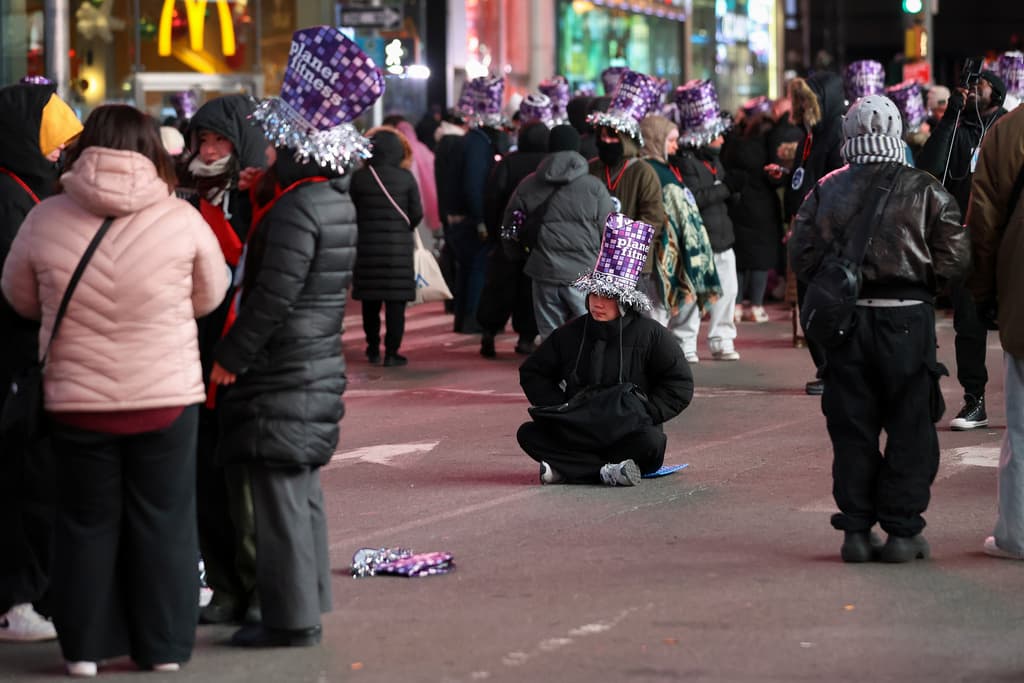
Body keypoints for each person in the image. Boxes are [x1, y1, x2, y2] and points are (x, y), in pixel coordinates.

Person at [1, 103, 229, 675]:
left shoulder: (45, 217)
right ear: (153, 150)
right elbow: (212, 296)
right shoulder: (181, 218)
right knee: (166, 521)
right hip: (166, 398)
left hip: (77, 400)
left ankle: (83, 650)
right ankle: (163, 649)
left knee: (83, 523)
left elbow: (18, 298)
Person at [209, 26, 380, 648]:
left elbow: (272, 297)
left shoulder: (296, 210)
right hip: (311, 364)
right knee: (300, 494)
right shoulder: (330, 201)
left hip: (283, 370)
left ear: (300, 150)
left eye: (278, 146)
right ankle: (307, 606)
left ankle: (289, 620)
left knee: (279, 498)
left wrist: (230, 358)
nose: (269, 155)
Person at [789, 95, 968, 563]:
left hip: (846, 323)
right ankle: (904, 532)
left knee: (852, 427)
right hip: (907, 320)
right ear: (896, 133)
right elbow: (955, 257)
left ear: (849, 135)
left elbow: (801, 255)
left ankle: (855, 530)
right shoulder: (925, 189)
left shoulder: (827, 189)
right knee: (911, 426)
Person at [178, 94, 269, 626]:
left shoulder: (262, 196)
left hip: (242, 358)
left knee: (245, 484)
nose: (209, 151)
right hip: (193, 352)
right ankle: (226, 585)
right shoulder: (183, 196)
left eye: (219, 141)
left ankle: (257, 588)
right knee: (206, 479)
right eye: (202, 141)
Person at [517, 213, 693, 486]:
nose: (598, 303)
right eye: (594, 295)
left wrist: (646, 411)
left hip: (628, 431)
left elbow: (679, 383)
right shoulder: (571, 333)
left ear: (625, 301)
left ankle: (568, 470)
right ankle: (604, 472)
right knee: (528, 434)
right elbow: (533, 372)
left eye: (608, 296)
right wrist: (560, 407)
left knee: (652, 442)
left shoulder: (652, 334)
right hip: (579, 429)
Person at [0, 80, 81, 643]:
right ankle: (14, 599)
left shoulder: (22, 188)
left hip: (25, 362)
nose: (60, 155)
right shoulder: (9, 195)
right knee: (20, 483)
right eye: (54, 144)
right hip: (14, 363)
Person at [919, 70, 1008, 431]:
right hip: (965, 242)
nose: (971, 89)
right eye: (968, 85)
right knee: (968, 325)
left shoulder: (1008, 127)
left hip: (1005, 242)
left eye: (979, 84)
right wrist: (950, 115)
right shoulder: (956, 126)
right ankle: (975, 401)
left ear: (997, 93)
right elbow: (928, 169)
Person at [964, 103, 1024, 559]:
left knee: (1022, 430)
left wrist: (981, 294)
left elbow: (983, 223)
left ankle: (1018, 534)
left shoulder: (1007, 133)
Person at [501, 124, 614, 340]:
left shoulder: (528, 185)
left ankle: (557, 372)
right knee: (589, 331)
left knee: (550, 333)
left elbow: (510, 227)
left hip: (544, 270)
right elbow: (609, 232)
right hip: (584, 272)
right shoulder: (595, 187)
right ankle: (586, 371)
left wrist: (519, 256)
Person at [777, 72, 847, 395]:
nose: (802, 106)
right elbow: (805, 179)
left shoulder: (836, 133)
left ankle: (835, 369)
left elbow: (836, 184)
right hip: (806, 232)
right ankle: (827, 367)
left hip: (825, 235)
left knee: (823, 305)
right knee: (809, 307)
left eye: (807, 100)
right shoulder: (812, 135)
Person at [639, 113, 721, 357]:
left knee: (677, 301)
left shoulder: (666, 168)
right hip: (662, 249)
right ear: (655, 140)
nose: (675, 146)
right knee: (657, 308)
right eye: (670, 141)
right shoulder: (648, 170)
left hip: (678, 245)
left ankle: (678, 351)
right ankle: (654, 357)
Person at [674, 80, 744, 361]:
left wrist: (734, 192)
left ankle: (722, 339)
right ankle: (684, 342)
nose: (722, 140)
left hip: (722, 236)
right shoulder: (687, 162)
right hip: (700, 238)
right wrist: (727, 188)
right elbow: (695, 197)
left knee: (728, 291)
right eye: (718, 136)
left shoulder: (713, 161)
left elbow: (718, 191)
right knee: (693, 294)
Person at [350, 126, 423, 367]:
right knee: (395, 304)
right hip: (397, 251)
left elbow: (352, 211)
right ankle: (392, 352)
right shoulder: (406, 178)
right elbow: (416, 213)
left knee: (370, 303)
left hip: (367, 248)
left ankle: (372, 348)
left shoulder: (360, 178)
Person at [478, 121, 549, 357]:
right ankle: (526, 338)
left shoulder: (509, 162)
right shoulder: (550, 164)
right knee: (529, 290)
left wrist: (495, 231)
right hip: (539, 239)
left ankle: (489, 331)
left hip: (508, 234)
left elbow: (492, 197)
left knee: (499, 287)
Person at [449, 76, 510, 334]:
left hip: (465, 217)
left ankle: (463, 317)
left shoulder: (472, 141)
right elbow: (473, 185)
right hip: (473, 219)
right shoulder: (477, 144)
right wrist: (481, 218)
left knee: (467, 269)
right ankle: (470, 317)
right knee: (474, 269)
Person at [723, 97, 784, 325]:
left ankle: (736, 306)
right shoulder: (768, 138)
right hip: (762, 206)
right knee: (760, 258)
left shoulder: (733, 141)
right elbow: (774, 173)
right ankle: (756, 307)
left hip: (737, 204)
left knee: (739, 257)